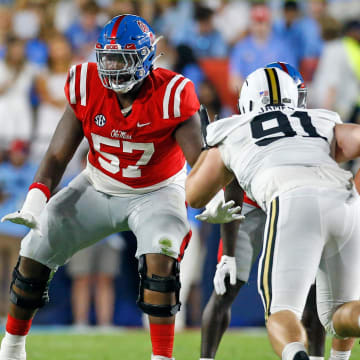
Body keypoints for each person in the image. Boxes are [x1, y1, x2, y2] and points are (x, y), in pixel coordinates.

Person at [0, 14, 204, 360]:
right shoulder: (85, 82)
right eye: (107, 57)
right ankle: (12, 347)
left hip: (156, 191)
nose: (111, 66)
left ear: (145, 58)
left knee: (161, 255)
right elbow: (56, 154)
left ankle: (162, 356)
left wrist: (208, 197)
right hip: (98, 184)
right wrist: (35, 202)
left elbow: (199, 161)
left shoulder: (173, 93)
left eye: (121, 58)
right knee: (34, 247)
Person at [186, 66, 360, 360]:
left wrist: (208, 149)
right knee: (341, 315)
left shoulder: (233, 128)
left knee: (281, 313)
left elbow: (193, 195)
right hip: (344, 202)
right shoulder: (320, 119)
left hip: (291, 200)